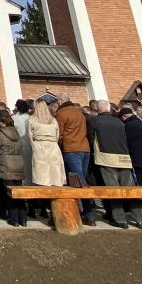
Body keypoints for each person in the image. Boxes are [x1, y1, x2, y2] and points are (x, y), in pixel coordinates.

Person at [85, 102, 142, 229]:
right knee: (130, 190)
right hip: (124, 157)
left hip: (106, 158)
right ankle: (140, 219)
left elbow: (91, 138)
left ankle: (120, 219)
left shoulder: (95, 121)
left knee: (113, 190)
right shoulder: (119, 121)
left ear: (98, 110)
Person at [54, 93, 94, 225]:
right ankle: (85, 209)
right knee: (82, 178)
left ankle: (88, 213)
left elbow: (59, 133)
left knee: (79, 181)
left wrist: (59, 146)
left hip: (72, 149)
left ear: (60, 101)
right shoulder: (79, 112)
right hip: (85, 147)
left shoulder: (62, 113)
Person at [0, 112, 26, 226]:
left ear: (3, 123)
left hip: (6, 165)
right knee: (19, 193)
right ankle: (23, 219)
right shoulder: (17, 134)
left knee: (9, 193)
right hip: (19, 164)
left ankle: (14, 219)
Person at [28, 100, 64, 188]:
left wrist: (34, 146)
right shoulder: (53, 120)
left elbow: (29, 135)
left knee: (41, 173)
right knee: (54, 171)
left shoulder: (32, 119)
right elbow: (57, 135)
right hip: (52, 145)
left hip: (39, 145)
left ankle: (43, 197)